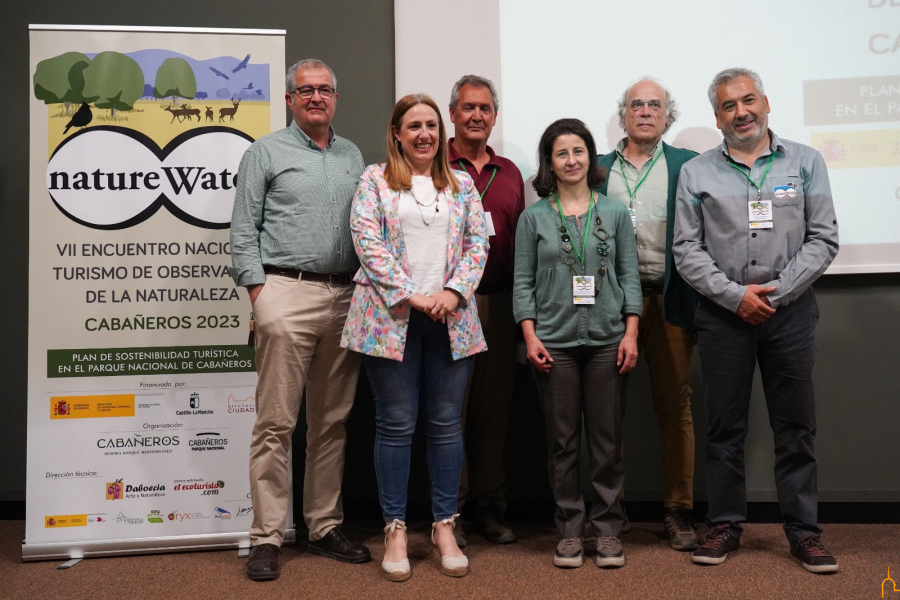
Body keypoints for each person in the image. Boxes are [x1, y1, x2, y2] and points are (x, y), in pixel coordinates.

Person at [674, 68, 840, 573]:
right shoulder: (696, 172)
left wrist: (775, 293)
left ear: (766, 104)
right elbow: (686, 249)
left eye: (748, 101)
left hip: (789, 315)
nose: (741, 112)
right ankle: (724, 525)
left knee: (795, 428)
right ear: (716, 116)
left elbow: (824, 238)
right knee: (724, 429)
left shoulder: (806, 161)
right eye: (729, 106)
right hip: (722, 318)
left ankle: (804, 533)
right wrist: (733, 297)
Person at [230, 58, 372, 581]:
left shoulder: (353, 154)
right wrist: (260, 295)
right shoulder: (265, 152)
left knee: (331, 422)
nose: (316, 97)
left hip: (346, 297)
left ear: (335, 98)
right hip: (284, 292)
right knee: (276, 424)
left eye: (325, 90)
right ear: (289, 99)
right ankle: (266, 537)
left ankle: (322, 525)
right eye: (305, 90)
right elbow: (243, 229)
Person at [341, 93, 488, 581]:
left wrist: (452, 291)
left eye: (430, 124)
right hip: (391, 318)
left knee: (447, 425)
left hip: (452, 317)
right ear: (397, 133)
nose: (424, 133)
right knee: (396, 426)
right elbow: (367, 241)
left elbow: (475, 246)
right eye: (413, 126)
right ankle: (396, 528)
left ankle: (445, 525)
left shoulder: (463, 184)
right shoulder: (374, 180)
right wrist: (412, 294)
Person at [514, 118, 641, 569]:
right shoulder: (533, 218)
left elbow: (629, 277)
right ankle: (569, 528)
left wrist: (631, 332)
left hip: (608, 340)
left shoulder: (615, 212)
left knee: (606, 443)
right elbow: (522, 284)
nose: (571, 160)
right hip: (554, 343)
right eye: (561, 153)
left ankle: (607, 528)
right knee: (562, 443)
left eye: (579, 151)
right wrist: (529, 336)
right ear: (550, 163)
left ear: (591, 157)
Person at [597, 78, 701, 551]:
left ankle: (678, 510)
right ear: (623, 116)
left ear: (667, 115)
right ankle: (608, 513)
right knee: (605, 412)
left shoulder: (689, 166)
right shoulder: (596, 168)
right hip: (609, 306)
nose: (644, 111)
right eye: (635, 104)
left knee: (674, 405)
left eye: (654, 104)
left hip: (669, 299)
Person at [447, 74, 525, 547]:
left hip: (498, 302)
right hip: (450, 306)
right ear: (452, 113)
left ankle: (489, 505)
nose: (477, 116)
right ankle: (449, 508)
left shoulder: (511, 171)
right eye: (468, 108)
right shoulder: (434, 163)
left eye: (485, 109)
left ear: (494, 116)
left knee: (494, 412)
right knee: (449, 411)